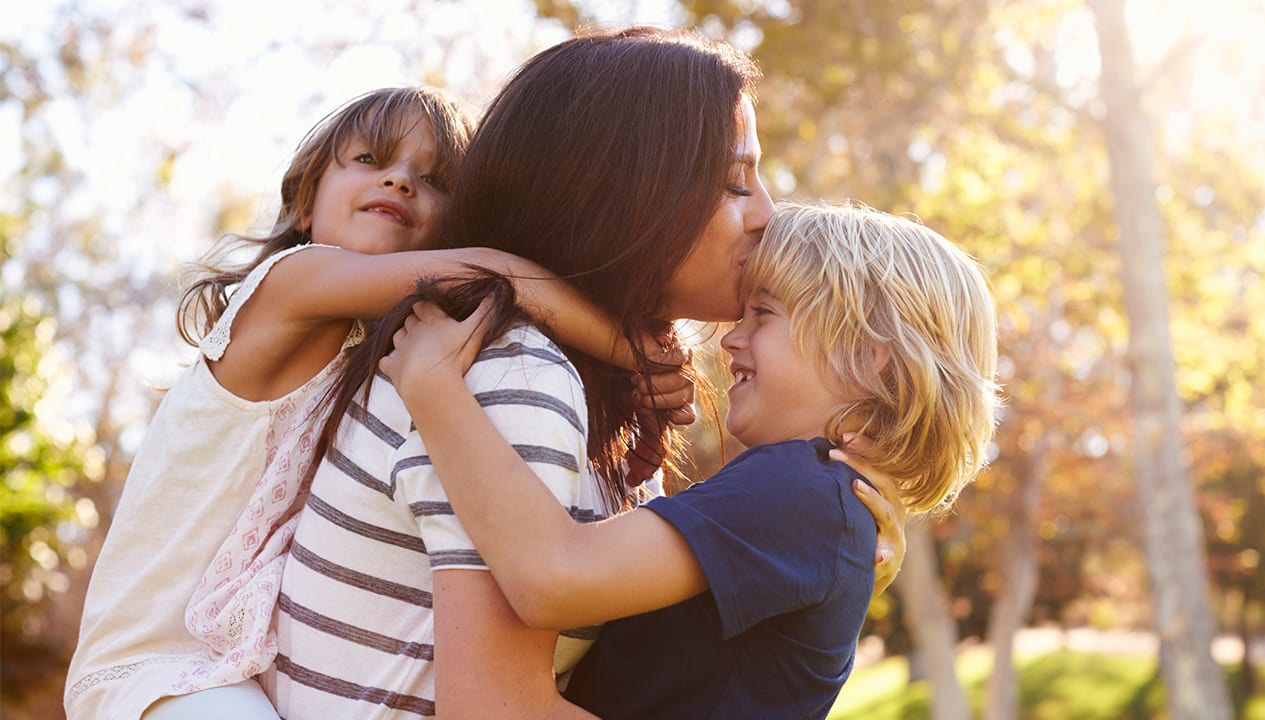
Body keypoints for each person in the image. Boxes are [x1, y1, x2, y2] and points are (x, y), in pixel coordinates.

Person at [261, 28, 908, 719]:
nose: (766, 215)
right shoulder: (514, 377)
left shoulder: (588, 391)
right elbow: (498, 709)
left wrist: (827, 547)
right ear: (622, 195)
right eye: (731, 182)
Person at [64, 86, 641, 720]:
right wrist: (637, 350)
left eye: (433, 180)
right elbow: (490, 275)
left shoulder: (381, 351)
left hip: (243, 656)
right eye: (370, 160)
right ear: (305, 202)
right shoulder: (291, 283)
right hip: (157, 665)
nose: (398, 183)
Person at [387, 200, 1001, 718]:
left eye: (764, 313)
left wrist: (434, 384)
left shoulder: (801, 490)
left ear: (870, 358)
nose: (732, 337)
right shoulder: (822, 503)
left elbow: (554, 577)